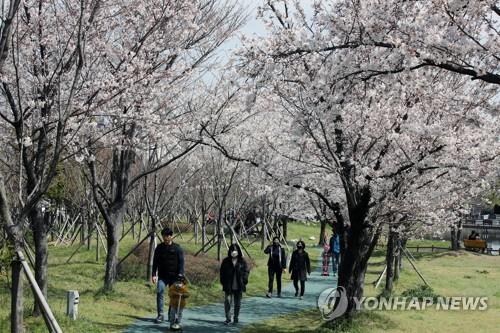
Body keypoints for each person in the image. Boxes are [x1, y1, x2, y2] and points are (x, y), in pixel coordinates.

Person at [152, 227, 185, 324]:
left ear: (171, 236)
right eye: (163, 237)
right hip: (162, 276)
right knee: (160, 291)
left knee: (173, 296)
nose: (165, 238)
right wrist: (154, 274)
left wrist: (180, 274)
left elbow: (181, 263)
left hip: (174, 277)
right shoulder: (159, 248)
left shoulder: (177, 248)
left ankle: (171, 313)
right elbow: (155, 262)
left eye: (167, 236)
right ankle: (160, 314)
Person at [220, 243, 250, 325]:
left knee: (237, 303)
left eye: (235, 250)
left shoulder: (242, 261)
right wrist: (223, 282)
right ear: (229, 251)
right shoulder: (226, 261)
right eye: (232, 250)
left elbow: (246, 271)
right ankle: (228, 318)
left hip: (239, 285)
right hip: (228, 285)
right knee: (227, 301)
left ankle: (236, 317)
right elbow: (222, 272)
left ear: (238, 251)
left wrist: (244, 280)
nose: (234, 252)